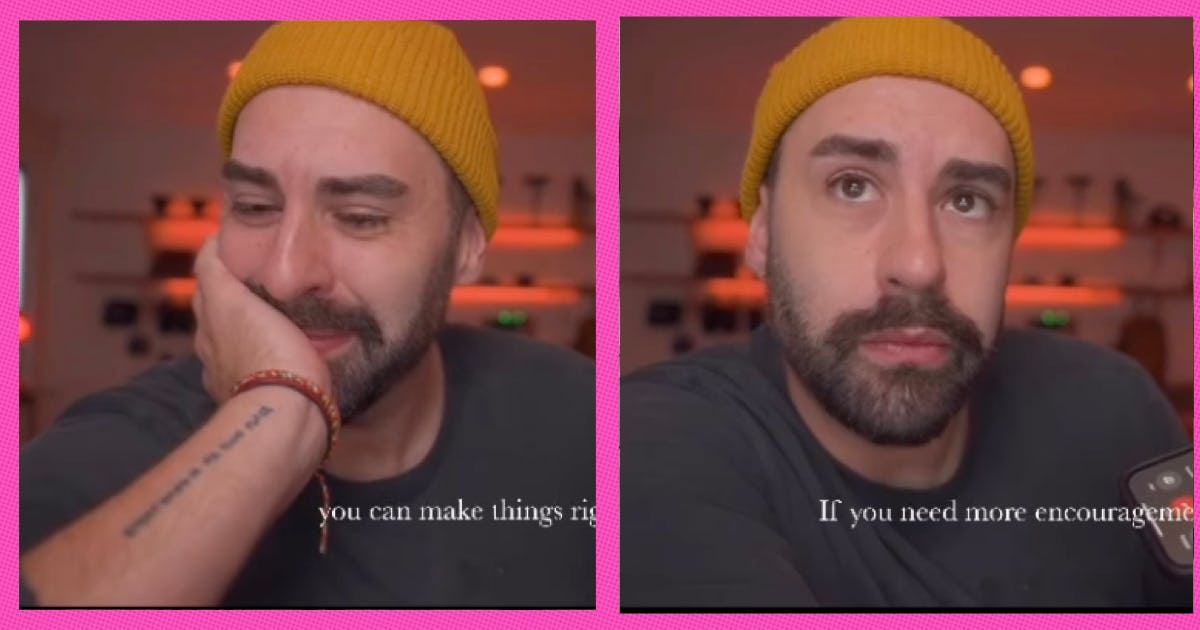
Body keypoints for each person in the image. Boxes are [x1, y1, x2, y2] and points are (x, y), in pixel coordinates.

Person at [20, 21, 595, 608]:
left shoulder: (585, 415)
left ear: (467, 246)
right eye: (255, 206)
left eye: (361, 216)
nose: (286, 274)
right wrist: (280, 409)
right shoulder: (125, 448)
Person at [621, 17, 1190, 608]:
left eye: (967, 201)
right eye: (852, 186)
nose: (919, 263)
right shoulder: (657, 438)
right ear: (762, 232)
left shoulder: (1117, 408)